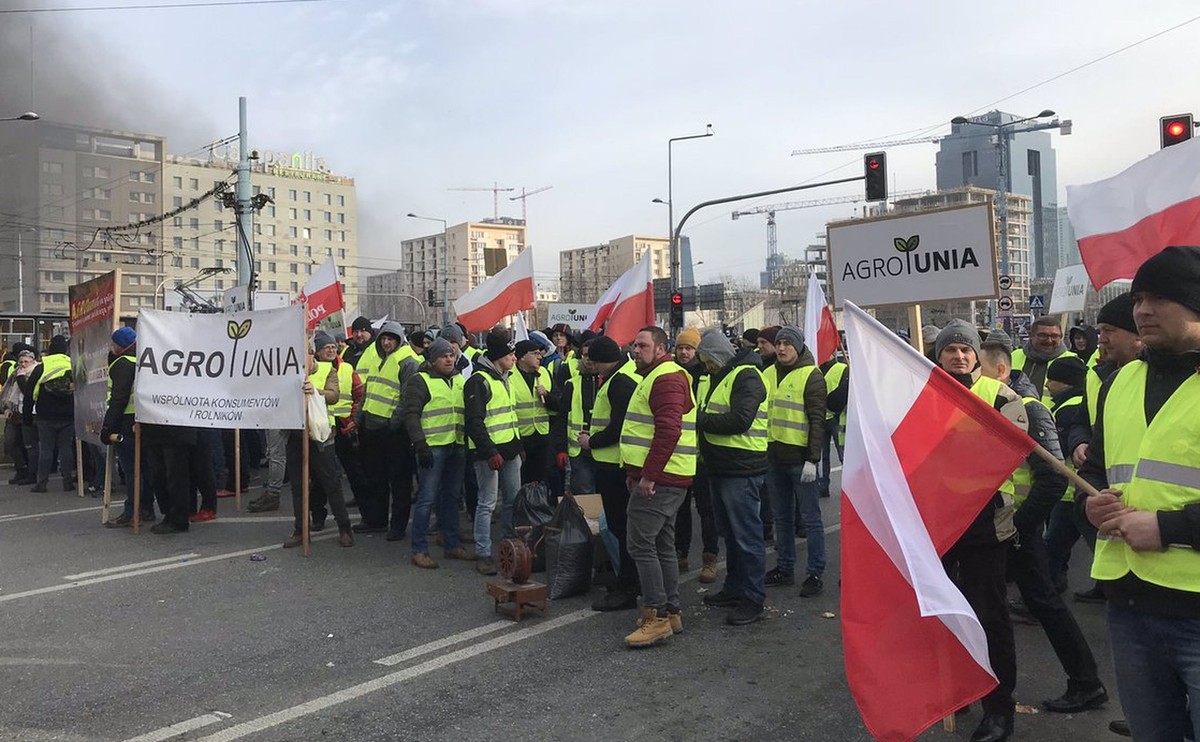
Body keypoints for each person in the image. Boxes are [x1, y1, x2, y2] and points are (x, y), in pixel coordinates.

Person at [1080, 246, 1200, 741]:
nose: (1143, 311)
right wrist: (1095, 505)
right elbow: (1109, 473)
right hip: (1130, 609)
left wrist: (1168, 527)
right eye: (1139, 298)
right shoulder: (1121, 380)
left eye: (1160, 298)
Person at [979, 340, 1109, 717]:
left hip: (1016, 529)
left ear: (1001, 371)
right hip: (996, 527)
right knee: (990, 605)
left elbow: (1052, 479)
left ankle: (1086, 683)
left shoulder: (1028, 409)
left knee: (1045, 604)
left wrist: (1018, 526)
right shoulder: (989, 403)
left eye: (980, 370)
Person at [935, 320, 1027, 742]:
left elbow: (1008, 460)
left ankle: (999, 708)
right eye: (950, 349)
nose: (958, 355)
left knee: (989, 617)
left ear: (977, 357)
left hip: (984, 527)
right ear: (937, 356)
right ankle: (956, 691)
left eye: (965, 350)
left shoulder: (1002, 397)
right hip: (934, 525)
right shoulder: (917, 397)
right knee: (942, 615)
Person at [620, 326, 695, 647]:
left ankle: (657, 616)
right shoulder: (660, 375)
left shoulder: (665, 378)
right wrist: (636, 471)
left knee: (640, 544)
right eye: (635, 345)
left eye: (642, 345)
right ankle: (672, 612)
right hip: (665, 477)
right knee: (662, 545)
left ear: (661, 349)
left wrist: (648, 476)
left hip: (661, 480)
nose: (635, 350)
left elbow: (668, 431)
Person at [1067, 293, 1144, 604]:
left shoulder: (1174, 380)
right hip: (1105, 494)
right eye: (1100, 331)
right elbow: (1081, 420)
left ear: (1137, 336)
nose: (1102, 339)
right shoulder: (1101, 376)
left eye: (1110, 330)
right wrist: (1080, 442)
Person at [694, 328, 770, 626]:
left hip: (741, 467)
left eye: (708, 360)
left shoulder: (746, 376)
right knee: (733, 535)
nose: (706, 366)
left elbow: (740, 420)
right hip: (723, 466)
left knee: (747, 537)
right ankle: (735, 588)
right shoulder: (724, 375)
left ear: (719, 356)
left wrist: (698, 420)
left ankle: (753, 597)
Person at [761, 327, 827, 596]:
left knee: (811, 519)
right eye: (779, 343)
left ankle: (815, 573)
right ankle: (785, 568)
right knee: (782, 518)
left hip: (800, 460)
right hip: (773, 457)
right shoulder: (767, 374)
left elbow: (817, 420)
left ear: (798, 347)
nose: (782, 348)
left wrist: (813, 459)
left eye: (788, 343)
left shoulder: (811, 375)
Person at [581, 336, 641, 612]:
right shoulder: (621, 376)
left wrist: (591, 441)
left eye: (592, 361)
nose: (589, 365)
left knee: (621, 527)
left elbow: (618, 426)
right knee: (619, 526)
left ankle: (628, 586)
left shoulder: (620, 382)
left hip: (616, 465)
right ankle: (627, 580)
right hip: (614, 463)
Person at [403, 338, 471, 568]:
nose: (450, 359)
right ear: (432, 360)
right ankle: (419, 549)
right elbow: (411, 414)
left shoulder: (459, 380)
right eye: (444, 356)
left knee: (451, 498)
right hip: (432, 448)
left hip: (456, 445)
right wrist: (420, 444)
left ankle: (451, 543)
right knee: (427, 499)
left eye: (451, 355)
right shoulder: (420, 381)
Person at [464, 327, 523, 576]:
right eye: (511, 354)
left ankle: (508, 544)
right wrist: (490, 452)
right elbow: (474, 422)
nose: (515, 358)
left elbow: (509, 416)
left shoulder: (504, 376)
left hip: (509, 450)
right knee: (487, 504)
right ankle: (483, 552)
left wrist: (518, 447)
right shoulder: (479, 381)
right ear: (499, 355)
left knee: (513, 499)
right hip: (488, 454)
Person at [283, 347, 354, 548]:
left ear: (312, 354)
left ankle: (344, 527)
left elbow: (334, 395)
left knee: (331, 483)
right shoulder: (288, 371)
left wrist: (315, 391)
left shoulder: (327, 370)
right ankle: (300, 529)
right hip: (295, 435)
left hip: (321, 436)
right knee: (298, 486)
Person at [355, 321, 419, 540]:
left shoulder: (408, 361)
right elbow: (369, 390)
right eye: (383, 338)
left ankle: (398, 526)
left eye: (390, 338)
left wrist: (394, 422)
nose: (386, 342)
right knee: (376, 478)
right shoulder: (378, 359)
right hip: (372, 426)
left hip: (393, 432)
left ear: (399, 339)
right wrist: (360, 416)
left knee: (399, 481)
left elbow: (407, 398)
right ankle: (377, 520)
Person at [672, 328, 720, 583]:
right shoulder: (672, 373)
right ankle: (681, 552)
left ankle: (710, 557)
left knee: (706, 508)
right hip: (679, 453)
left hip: (701, 454)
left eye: (688, 348)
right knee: (680, 508)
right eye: (680, 348)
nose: (683, 352)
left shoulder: (706, 375)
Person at [1041, 355, 1091, 593]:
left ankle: (1045, 594)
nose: (1048, 385)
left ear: (1066, 383)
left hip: (1070, 490)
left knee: (1052, 547)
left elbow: (1057, 448)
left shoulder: (1069, 408)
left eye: (1052, 380)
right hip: (1075, 488)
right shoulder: (1075, 402)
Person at [101, 327, 157, 527]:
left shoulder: (122, 364)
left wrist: (107, 428)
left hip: (126, 421)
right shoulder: (144, 360)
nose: (112, 347)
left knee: (132, 469)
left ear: (120, 345)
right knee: (145, 468)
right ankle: (146, 508)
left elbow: (118, 398)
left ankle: (132, 512)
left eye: (113, 343)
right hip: (144, 420)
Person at [313, 331, 370, 513]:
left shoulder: (346, 368)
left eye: (332, 347)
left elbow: (359, 395)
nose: (331, 350)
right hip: (321, 427)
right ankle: (318, 514)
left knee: (355, 472)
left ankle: (367, 514)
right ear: (318, 352)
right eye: (326, 347)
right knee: (320, 476)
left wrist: (354, 419)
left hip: (345, 427)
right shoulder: (312, 369)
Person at [24, 334, 76, 493]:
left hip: (45, 415)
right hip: (68, 414)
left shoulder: (42, 366)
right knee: (65, 448)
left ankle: (42, 483)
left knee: (46, 449)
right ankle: (68, 482)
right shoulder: (72, 365)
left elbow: (29, 393)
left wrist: (27, 417)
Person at [553, 340, 598, 496]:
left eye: (592, 355)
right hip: (578, 450)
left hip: (603, 446)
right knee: (584, 492)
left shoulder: (609, 382)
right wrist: (561, 449)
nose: (588, 359)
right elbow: (562, 417)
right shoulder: (571, 384)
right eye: (585, 355)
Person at [511, 339, 554, 485]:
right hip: (521, 437)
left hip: (542, 435)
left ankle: (540, 506)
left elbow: (559, 403)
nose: (539, 357)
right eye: (534, 354)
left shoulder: (544, 373)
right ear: (522, 356)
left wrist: (547, 395)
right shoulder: (510, 375)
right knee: (522, 481)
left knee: (542, 479)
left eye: (539, 353)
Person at [1011, 316, 1077, 405]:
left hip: (1054, 417)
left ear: (1061, 336)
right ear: (1031, 335)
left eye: (1054, 336)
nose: (1049, 340)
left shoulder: (1072, 361)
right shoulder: (1014, 356)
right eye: (1043, 335)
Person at [3, 345, 38, 485]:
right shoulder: (16, 372)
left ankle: (30, 472)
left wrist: (22, 378)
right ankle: (21, 467)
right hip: (14, 411)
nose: (23, 365)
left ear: (32, 361)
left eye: (26, 362)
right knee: (9, 442)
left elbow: (28, 392)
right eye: (21, 362)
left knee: (29, 444)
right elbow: (8, 389)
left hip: (29, 412)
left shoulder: (35, 371)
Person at [818, 352, 849, 499]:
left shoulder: (842, 368)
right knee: (822, 457)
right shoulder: (816, 369)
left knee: (843, 455)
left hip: (836, 418)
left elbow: (845, 392)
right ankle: (823, 487)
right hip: (821, 418)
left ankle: (849, 488)